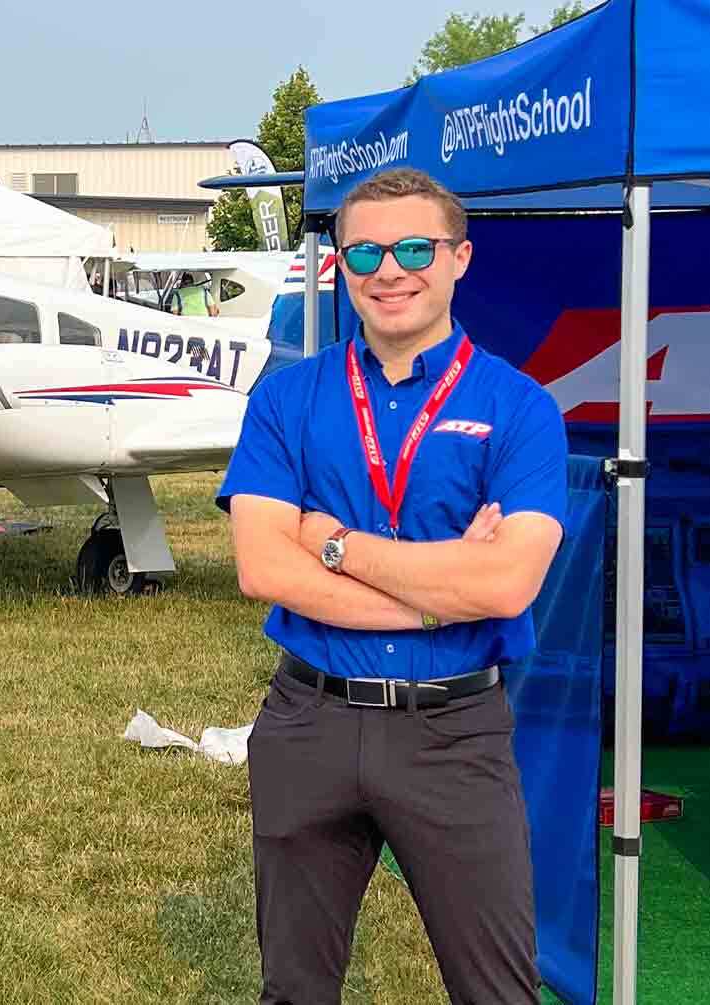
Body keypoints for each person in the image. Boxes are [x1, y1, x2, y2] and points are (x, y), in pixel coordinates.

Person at [219, 166, 567, 1004]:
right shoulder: (288, 398)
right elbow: (263, 567)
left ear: (460, 259)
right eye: (364, 252)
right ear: (338, 265)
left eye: (415, 247)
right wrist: (444, 585)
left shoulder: (519, 409)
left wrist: (333, 543)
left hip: (453, 731)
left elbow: (508, 583)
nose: (389, 270)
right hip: (310, 721)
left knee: (498, 991)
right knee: (294, 989)